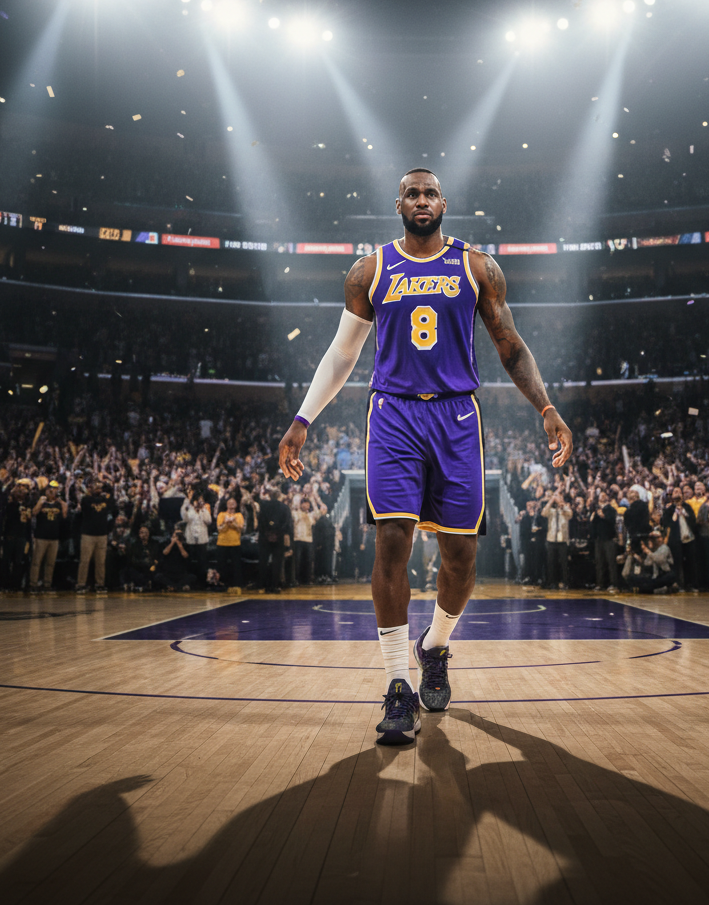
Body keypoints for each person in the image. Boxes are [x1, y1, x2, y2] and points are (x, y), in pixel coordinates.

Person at [278, 168, 572, 745]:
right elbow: (342, 354)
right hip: (393, 414)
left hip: (457, 417)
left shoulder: (477, 266)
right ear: (398, 204)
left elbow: (510, 346)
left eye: (429, 193)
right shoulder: (370, 270)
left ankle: (434, 646)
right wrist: (302, 420)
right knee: (392, 540)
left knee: (460, 555)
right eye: (411, 193)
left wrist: (546, 406)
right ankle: (397, 685)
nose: (421, 200)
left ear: (444, 203)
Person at [77, 476, 112, 593]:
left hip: (102, 534)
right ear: (89, 487)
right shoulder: (86, 499)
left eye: (99, 485)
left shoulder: (105, 499)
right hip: (88, 534)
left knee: (101, 561)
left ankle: (100, 584)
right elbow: (86, 504)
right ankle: (81, 584)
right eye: (95, 485)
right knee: (85, 560)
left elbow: (113, 508)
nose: (98, 487)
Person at [216, 496, 245, 588]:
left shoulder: (239, 515)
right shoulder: (221, 514)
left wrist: (232, 523)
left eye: (233, 503)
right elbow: (220, 529)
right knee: (222, 565)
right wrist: (226, 523)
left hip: (235, 543)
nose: (231, 504)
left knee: (236, 565)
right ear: (226, 504)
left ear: (236, 505)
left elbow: (240, 528)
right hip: (222, 543)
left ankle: (236, 584)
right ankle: (222, 583)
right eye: (229, 503)